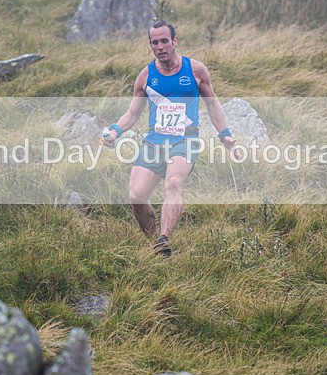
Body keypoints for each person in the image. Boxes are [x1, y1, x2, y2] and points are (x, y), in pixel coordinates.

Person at [102, 20, 240, 256]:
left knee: (173, 183)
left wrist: (225, 134)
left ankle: (164, 239)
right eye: (154, 43)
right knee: (136, 196)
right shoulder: (146, 76)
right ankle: (154, 244)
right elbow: (133, 113)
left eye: (164, 41)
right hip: (155, 141)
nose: (160, 46)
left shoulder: (195, 70)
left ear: (174, 41)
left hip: (185, 140)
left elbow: (213, 104)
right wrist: (115, 130)